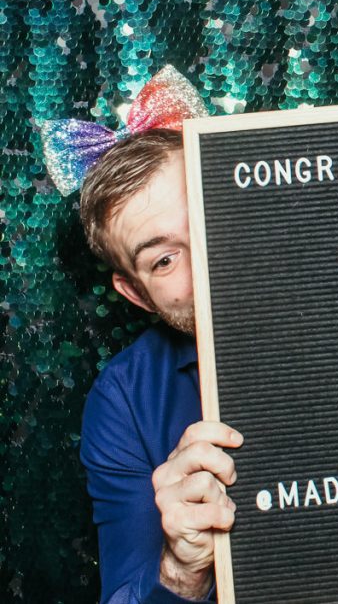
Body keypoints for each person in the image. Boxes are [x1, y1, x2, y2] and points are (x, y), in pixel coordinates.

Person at [42, 67, 238, 603]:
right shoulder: (125, 400)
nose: (205, 263)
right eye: (166, 258)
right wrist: (183, 567)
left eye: (206, 216)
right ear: (135, 293)